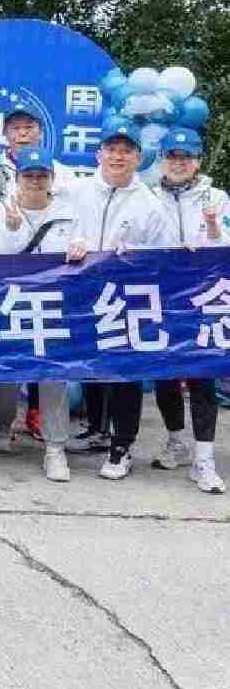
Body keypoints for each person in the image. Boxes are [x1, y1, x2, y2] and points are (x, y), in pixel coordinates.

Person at [66, 122, 169, 481]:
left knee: (125, 370)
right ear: (99, 154)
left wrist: (136, 257)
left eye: (126, 151)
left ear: (139, 158)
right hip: (81, 292)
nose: (118, 156)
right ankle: (97, 429)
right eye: (111, 149)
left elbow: (163, 257)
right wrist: (70, 244)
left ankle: (122, 446)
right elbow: (55, 228)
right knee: (90, 364)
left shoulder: (150, 204)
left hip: (127, 298)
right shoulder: (75, 190)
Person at [0, 146, 81, 483]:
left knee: (53, 375)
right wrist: (12, 230)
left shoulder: (70, 212)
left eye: (42, 176)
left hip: (53, 305)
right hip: (10, 302)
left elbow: (84, 246)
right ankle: (2, 425)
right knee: (6, 369)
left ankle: (55, 447)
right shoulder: (0, 210)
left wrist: (82, 247)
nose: (36, 181)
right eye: (29, 175)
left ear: (52, 179)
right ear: (18, 178)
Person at [149, 128, 226, 493]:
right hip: (161, 297)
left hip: (203, 297)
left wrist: (211, 227)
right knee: (164, 372)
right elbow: (138, 239)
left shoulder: (218, 198)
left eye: (186, 157)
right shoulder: (148, 197)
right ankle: (175, 440)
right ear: (162, 160)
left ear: (197, 162)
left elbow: (225, 245)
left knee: (202, 374)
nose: (178, 163)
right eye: (172, 156)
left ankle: (204, 459)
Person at [0, 96, 77, 204]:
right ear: (4, 132)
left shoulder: (63, 174)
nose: (23, 133)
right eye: (15, 128)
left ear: (41, 132)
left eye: (29, 127)